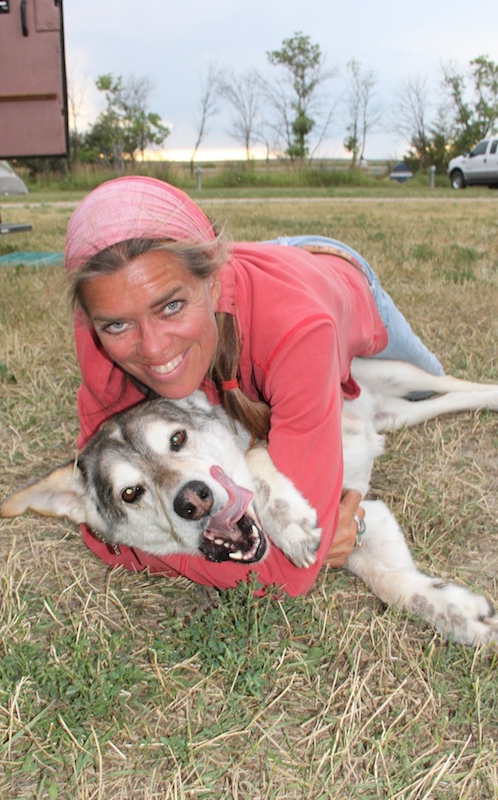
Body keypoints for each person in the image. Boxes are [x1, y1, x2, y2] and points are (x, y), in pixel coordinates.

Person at [64, 176, 443, 596]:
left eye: (171, 306)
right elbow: (95, 515)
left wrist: (139, 539)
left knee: (429, 382)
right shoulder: (104, 329)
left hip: (329, 269)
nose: (152, 348)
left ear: (212, 284)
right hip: (241, 263)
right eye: (117, 324)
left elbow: (289, 573)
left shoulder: (296, 329)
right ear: (92, 322)